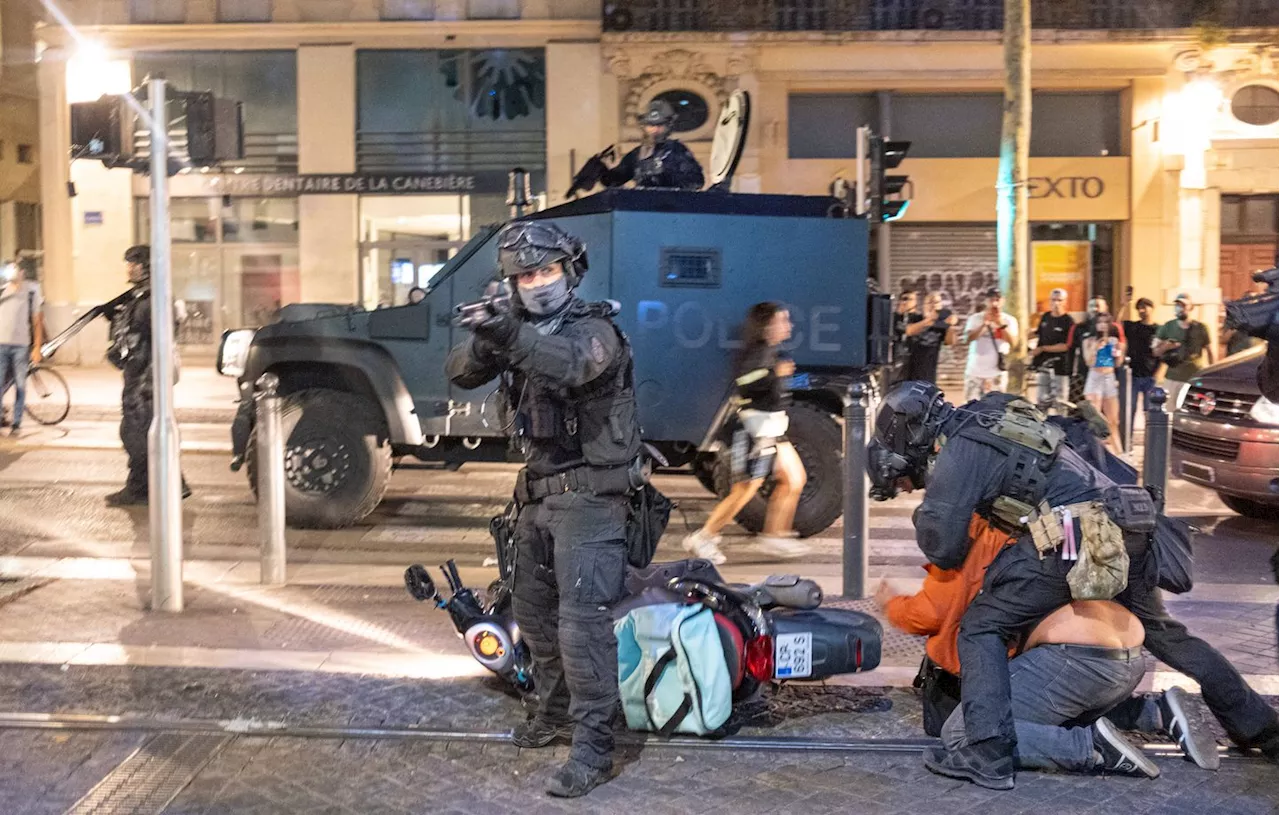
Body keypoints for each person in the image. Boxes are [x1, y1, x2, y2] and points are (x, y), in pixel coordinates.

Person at [872, 383, 1280, 789]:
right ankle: (1261, 729)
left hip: (1070, 535)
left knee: (982, 626)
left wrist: (933, 507)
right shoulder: (993, 416)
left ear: (911, 432)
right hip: (1126, 524)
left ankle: (986, 752)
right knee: (1168, 635)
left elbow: (942, 547)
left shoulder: (959, 448)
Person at [445, 221, 642, 798]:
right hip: (537, 498)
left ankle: (593, 751)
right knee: (534, 620)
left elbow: (574, 364)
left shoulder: (596, 328)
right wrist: (488, 336)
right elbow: (459, 372)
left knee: (583, 632)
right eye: (524, 275)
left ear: (570, 272)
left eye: (546, 271)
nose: (536, 283)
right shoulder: (518, 330)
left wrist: (510, 333)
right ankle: (552, 716)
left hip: (590, 502)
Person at [681, 303, 810, 564]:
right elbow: (744, 381)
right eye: (782, 320)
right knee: (745, 489)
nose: (789, 325)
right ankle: (703, 537)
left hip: (772, 428)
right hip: (755, 430)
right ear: (767, 325)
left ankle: (775, 535)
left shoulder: (771, 351)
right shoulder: (758, 352)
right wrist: (775, 373)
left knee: (795, 479)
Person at [103, 246, 190, 506]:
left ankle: (143, 487)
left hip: (145, 379)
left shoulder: (153, 299)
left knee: (136, 433)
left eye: (134, 263)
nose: (129, 267)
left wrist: (149, 379)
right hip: (139, 375)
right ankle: (169, 484)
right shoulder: (141, 297)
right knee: (139, 433)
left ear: (148, 266)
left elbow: (157, 340)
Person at [600, 99, 704, 192]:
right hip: (643, 207)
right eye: (650, 125)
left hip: (671, 207)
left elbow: (696, 181)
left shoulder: (676, 150)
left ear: (668, 126)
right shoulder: (637, 154)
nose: (655, 130)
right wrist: (601, 171)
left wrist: (665, 175)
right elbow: (617, 179)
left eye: (660, 125)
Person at [0, 259, 44, 437]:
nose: (12, 272)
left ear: (22, 273)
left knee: (20, 385)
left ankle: (16, 423)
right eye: (9, 269)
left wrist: (37, 347)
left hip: (21, 346)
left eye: (15, 269)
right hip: (1, 344)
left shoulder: (31, 291)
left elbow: (37, 321)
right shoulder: (3, 290)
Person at [1153, 293, 1213, 403]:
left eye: (1183, 305)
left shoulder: (1201, 328)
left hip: (1194, 379)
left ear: (1191, 307)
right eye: (1177, 305)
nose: (1179, 308)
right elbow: (1155, 352)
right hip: (1172, 379)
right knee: (1170, 411)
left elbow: (1210, 352)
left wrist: (1211, 374)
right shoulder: (1167, 327)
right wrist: (1166, 346)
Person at [962, 287, 1019, 400]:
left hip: (997, 373)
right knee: (970, 409)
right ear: (986, 301)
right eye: (991, 299)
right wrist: (984, 324)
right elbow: (968, 339)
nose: (994, 303)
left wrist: (1001, 324)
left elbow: (1014, 343)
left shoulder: (1009, 320)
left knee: (995, 410)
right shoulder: (975, 318)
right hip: (975, 372)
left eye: (997, 299)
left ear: (1003, 301)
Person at [1082, 312, 1126, 454]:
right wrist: (1095, 348)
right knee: (1095, 419)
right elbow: (1088, 362)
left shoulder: (1113, 341)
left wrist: (1119, 351)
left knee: (1113, 420)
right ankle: (1097, 452)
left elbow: (1118, 363)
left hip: (1109, 377)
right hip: (1094, 377)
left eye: (1105, 322)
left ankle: (1119, 452)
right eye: (1099, 322)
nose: (1102, 325)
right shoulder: (1089, 341)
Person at [1118, 291, 1159, 430]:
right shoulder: (1132, 327)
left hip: (1150, 377)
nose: (1142, 310)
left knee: (1150, 412)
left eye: (1145, 307)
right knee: (1129, 411)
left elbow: (1163, 354)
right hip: (1133, 376)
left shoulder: (1159, 330)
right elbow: (1117, 325)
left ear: (1152, 308)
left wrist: (1158, 373)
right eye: (1139, 308)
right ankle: (1127, 445)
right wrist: (1124, 305)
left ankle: (1151, 443)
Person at [1030, 288, 1075, 403]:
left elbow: (1066, 346)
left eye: (1059, 300)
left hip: (1061, 366)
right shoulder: (1045, 317)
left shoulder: (1068, 321)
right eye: (1053, 300)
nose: (1056, 303)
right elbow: (1039, 334)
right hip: (1044, 365)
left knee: (1060, 401)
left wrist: (1043, 348)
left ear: (1065, 302)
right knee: (1042, 399)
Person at [902, 292, 957, 383]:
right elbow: (909, 331)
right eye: (930, 302)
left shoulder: (942, 324)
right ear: (924, 305)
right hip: (910, 370)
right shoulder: (915, 318)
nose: (933, 305)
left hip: (929, 372)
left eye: (936, 302)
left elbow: (950, 342)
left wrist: (951, 326)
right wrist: (928, 320)